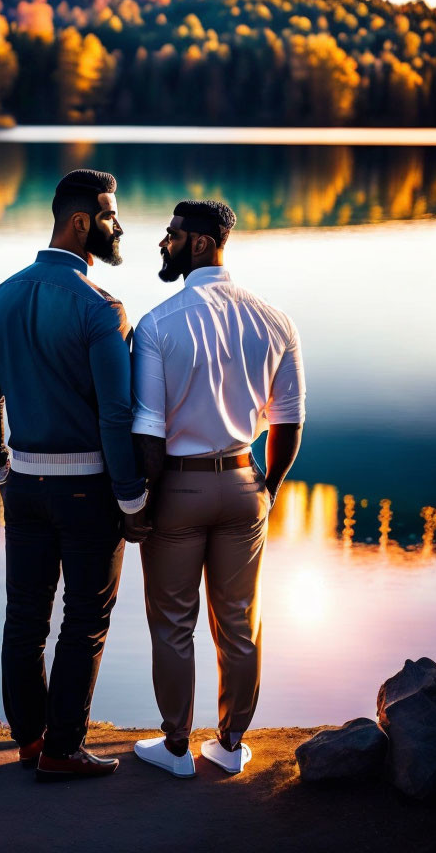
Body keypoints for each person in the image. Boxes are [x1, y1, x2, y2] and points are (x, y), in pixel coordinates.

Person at [0, 169, 147, 782]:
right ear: (80, 223)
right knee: (84, 621)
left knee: (24, 619)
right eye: (110, 215)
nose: (118, 225)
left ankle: (29, 741)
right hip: (89, 489)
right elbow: (117, 413)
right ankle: (63, 751)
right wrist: (131, 497)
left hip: (24, 485)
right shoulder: (101, 309)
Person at [129, 199, 305, 778]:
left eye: (172, 234)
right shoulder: (275, 320)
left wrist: (145, 503)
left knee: (173, 623)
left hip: (177, 486)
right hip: (244, 480)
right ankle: (229, 745)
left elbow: (149, 432)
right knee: (239, 620)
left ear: (201, 243)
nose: (164, 242)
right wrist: (270, 488)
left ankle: (177, 747)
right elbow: (288, 422)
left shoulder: (157, 324)